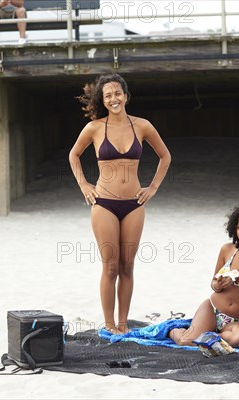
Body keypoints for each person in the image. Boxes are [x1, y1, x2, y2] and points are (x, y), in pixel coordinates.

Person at [69, 74, 172, 334]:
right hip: (103, 203)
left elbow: (165, 156)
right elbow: (74, 155)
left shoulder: (142, 126)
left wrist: (153, 188)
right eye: (107, 95)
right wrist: (84, 185)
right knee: (110, 266)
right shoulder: (94, 128)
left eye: (117, 93)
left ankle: (123, 325)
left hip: (134, 204)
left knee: (128, 265)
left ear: (126, 96)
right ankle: (108, 324)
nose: (113, 99)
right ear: (102, 101)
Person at [169, 203, 239, 347]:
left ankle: (206, 337)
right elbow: (214, 284)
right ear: (234, 228)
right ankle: (175, 330)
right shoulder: (227, 250)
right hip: (213, 309)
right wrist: (218, 285)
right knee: (184, 342)